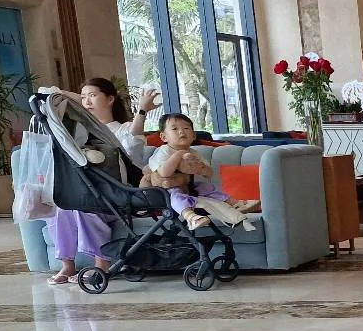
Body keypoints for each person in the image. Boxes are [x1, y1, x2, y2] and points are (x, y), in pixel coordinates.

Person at [45, 79, 159, 285]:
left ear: (110, 99)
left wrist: (142, 111)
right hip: (86, 191)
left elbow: (133, 148)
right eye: (83, 96)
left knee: (84, 207)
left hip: (116, 193)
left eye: (93, 95)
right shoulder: (77, 134)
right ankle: (67, 265)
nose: (87, 100)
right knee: (61, 208)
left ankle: (101, 265)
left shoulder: (123, 129)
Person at [146, 113, 233, 230]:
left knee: (206, 187)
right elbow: (164, 173)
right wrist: (179, 154)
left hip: (188, 187)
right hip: (164, 190)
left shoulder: (193, 152)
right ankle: (190, 216)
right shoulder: (163, 151)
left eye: (186, 128)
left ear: (193, 135)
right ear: (164, 137)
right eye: (174, 129)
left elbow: (209, 173)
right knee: (176, 193)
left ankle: (234, 203)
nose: (181, 131)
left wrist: (201, 169)